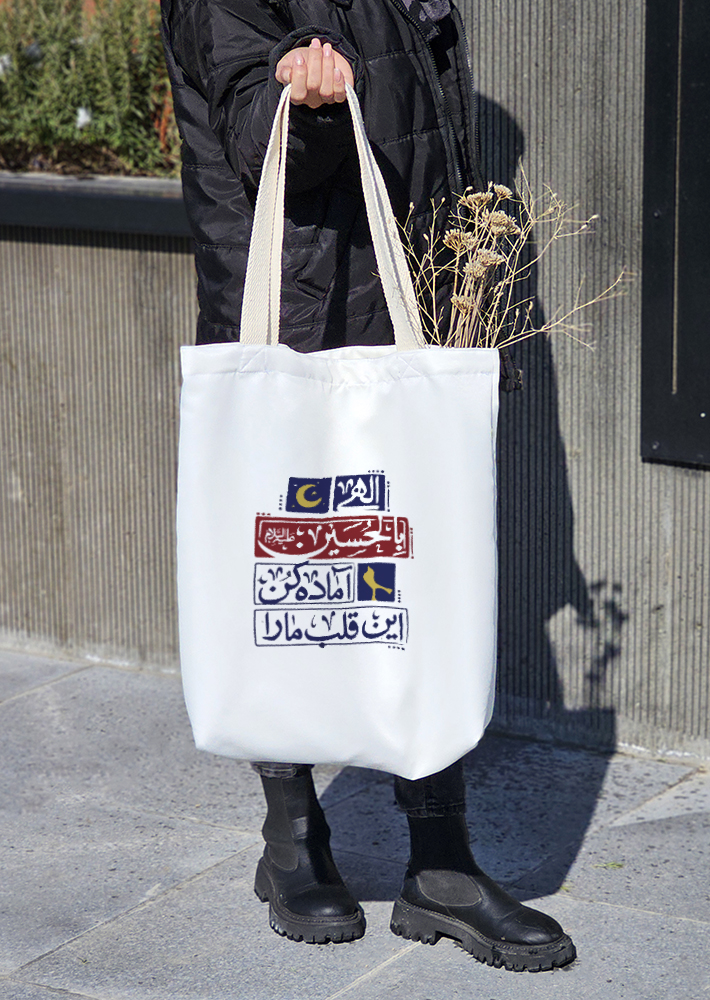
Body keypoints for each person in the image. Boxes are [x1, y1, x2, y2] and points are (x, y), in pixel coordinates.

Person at [159, 0, 574, 973]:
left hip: (400, 302)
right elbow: (254, 136)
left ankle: (442, 861)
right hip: (298, 304)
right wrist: (301, 106)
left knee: (415, 575)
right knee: (294, 574)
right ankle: (293, 837)